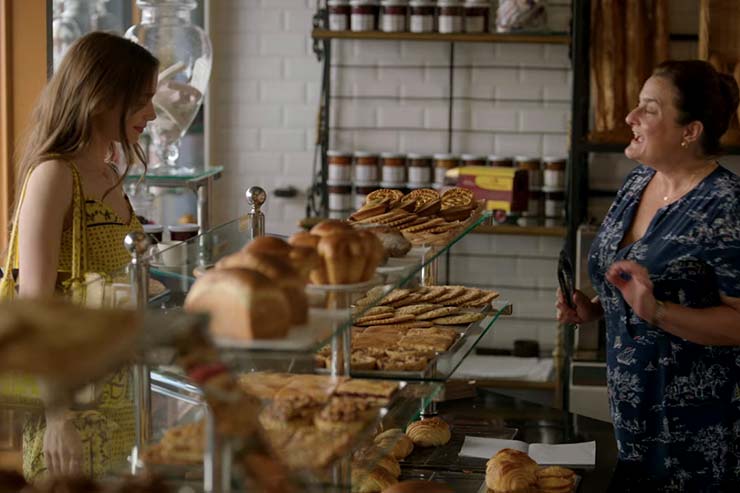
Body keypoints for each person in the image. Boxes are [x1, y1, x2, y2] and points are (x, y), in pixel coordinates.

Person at [557, 59, 740, 492]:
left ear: (689, 131)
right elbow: (638, 282)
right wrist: (597, 307)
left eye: (649, 109)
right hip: (632, 427)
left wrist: (657, 311)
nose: (630, 118)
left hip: (696, 442)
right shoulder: (639, 181)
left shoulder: (727, 207)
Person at [7, 32, 158, 480]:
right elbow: (36, 311)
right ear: (102, 97)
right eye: (142, 100)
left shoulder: (108, 171)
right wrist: (58, 419)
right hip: (73, 406)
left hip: (123, 396)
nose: (151, 113)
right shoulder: (54, 175)